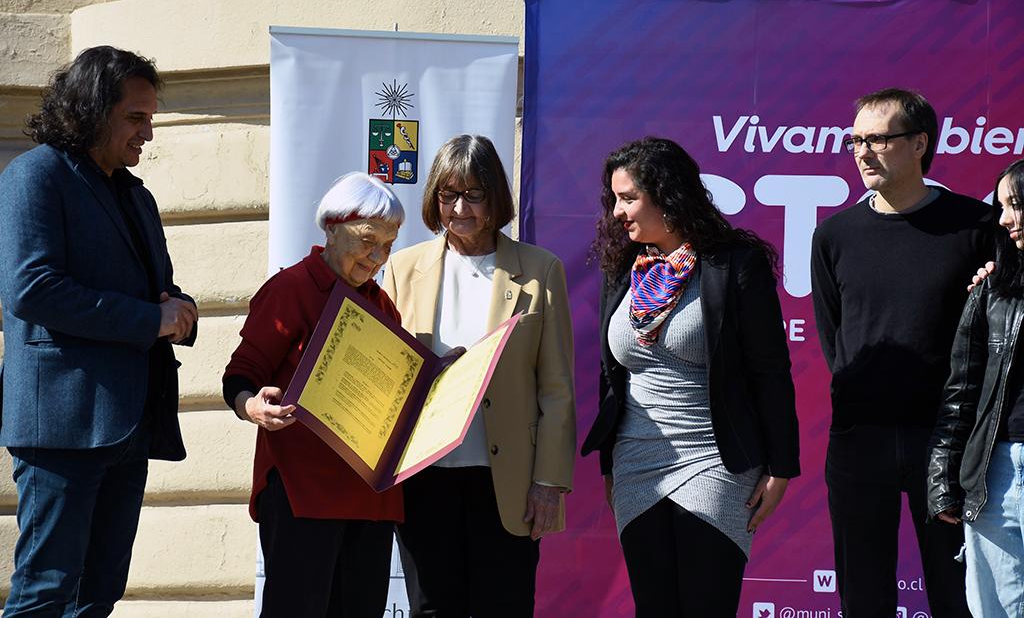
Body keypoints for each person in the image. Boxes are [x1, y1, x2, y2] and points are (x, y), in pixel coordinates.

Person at [0, 45, 198, 617]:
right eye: (137, 118)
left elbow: (158, 292)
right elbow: (31, 288)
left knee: (97, 597)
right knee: (45, 593)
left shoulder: (135, 194)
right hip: (61, 427)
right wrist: (148, 319)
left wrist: (178, 311)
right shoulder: (34, 176)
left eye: (151, 119)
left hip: (127, 424)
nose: (148, 135)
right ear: (92, 109)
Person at [580, 136, 800, 616]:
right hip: (635, 465)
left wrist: (782, 468)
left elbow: (770, 371)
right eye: (613, 199)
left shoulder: (734, 264)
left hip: (715, 462)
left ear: (668, 194)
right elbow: (610, 375)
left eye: (628, 197)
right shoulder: (625, 269)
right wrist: (609, 466)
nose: (617, 211)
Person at [810, 88, 991, 617]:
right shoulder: (834, 234)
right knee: (863, 596)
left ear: (919, 144)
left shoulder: (977, 228)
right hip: (858, 439)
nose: (863, 152)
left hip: (949, 441)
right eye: (855, 140)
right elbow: (835, 338)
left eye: (879, 139)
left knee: (957, 595)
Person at [382, 134, 575, 618]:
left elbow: (556, 392)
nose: (460, 207)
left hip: (506, 483)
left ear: (496, 196)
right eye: (448, 194)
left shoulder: (539, 270)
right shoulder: (402, 269)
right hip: (423, 478)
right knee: (431, 609)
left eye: (473, 193)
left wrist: (549, 481)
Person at [222, 172, 405, 617]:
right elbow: (240, 375)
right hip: (302, 489)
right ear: (332, 227)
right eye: (367, 240)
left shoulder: (383, 305)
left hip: (369, 497)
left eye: (387, 245)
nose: (377, 256)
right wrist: (251, 407)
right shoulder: (291, 288)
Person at [928, 158, 1024, 615]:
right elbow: (961, 390)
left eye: (1017, 205)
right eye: (1002, 206)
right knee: (996, 607)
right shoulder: (992, 289)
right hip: (996, 470)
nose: (1005, 219)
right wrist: (943, 474)